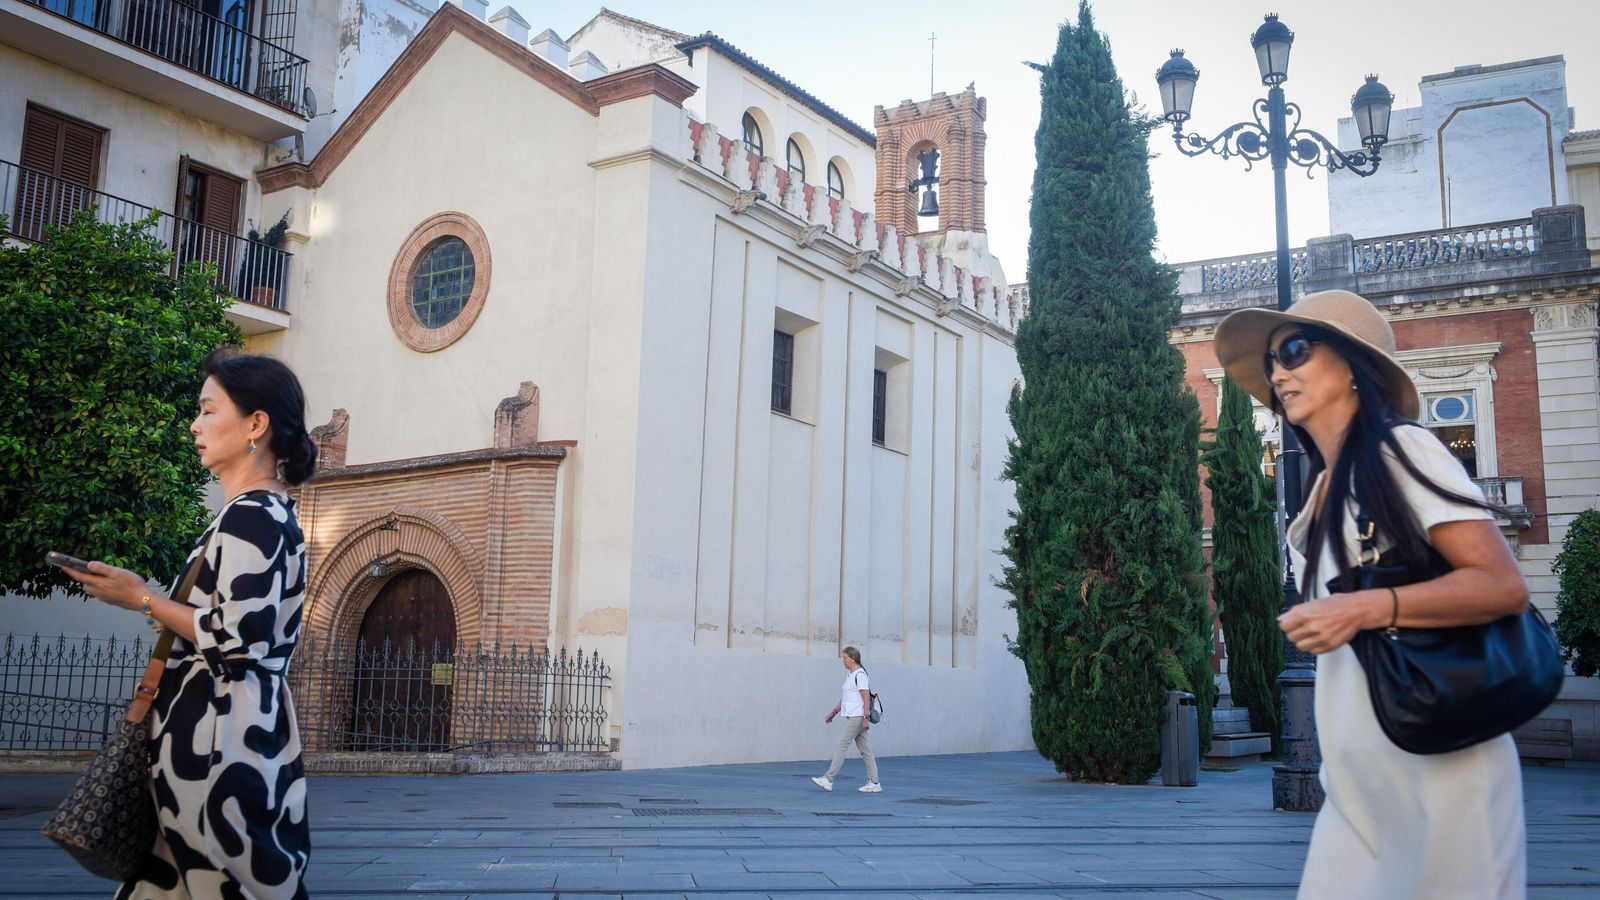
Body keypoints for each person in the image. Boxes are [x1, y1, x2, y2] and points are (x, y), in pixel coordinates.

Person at [1214, 290, 1529, 900]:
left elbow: (1501, 584)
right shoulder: (1322, 490)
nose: (1279, 371)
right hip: (1357, 790)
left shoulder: (1402, 450)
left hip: (1444, 776)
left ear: (1355, 367)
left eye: (1297, 350)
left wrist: (1365, 606)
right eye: (1274, 359)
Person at [63, 350, 316, 899]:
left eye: (207, 410)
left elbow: (241, 635)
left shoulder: (253, 514)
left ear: (256, 424)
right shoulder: (255, 513)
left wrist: (142, 599)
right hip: (218, 736)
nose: (194, 424)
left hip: (218, 744)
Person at [811, 646, 881, 793]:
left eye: (845, 657)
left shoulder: (860, 675)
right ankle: (874, 782)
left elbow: (866, 698)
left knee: (841, 745)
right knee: (865, 749)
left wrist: (865, 718)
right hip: (854, 715)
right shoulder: (850, 675)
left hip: (858, 716)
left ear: (853, 658)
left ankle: (828, 779)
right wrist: (834, 712)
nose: (843, 660)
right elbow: (846, 698)